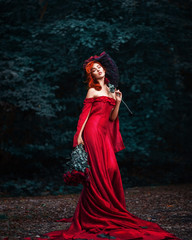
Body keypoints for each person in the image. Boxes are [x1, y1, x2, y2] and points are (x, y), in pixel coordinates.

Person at [25, 53, 182, 240]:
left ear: (104, 70)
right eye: (93, 70)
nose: (97, 70)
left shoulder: (110, 89)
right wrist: (79, 137)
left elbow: (113, 118)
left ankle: (105, 207)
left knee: (111, 169)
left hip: (104, 135)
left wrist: (117, 101)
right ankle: (97, 210)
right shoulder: (92, 91)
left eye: (99, 67)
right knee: (98, 170)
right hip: (91, 132)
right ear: (91, 75)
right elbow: (84, 116)